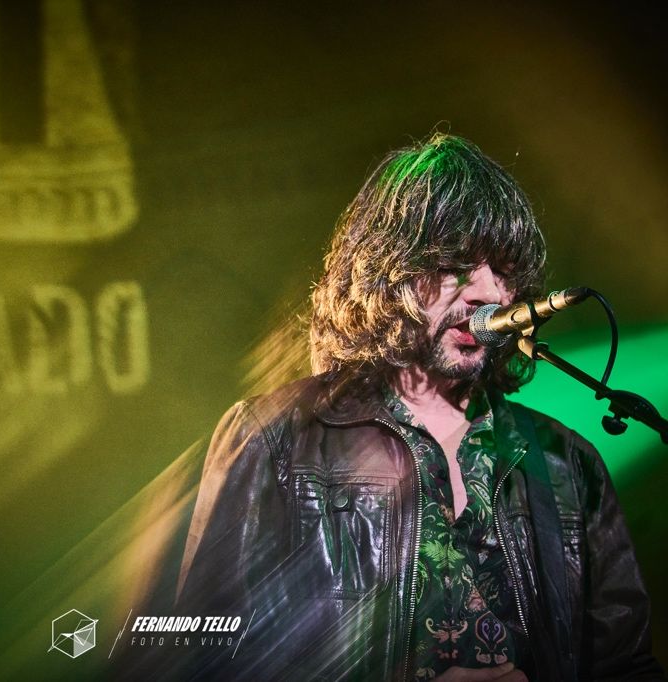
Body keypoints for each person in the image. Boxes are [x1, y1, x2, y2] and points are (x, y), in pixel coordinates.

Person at [173, 134, 663, 680]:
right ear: (391, 271)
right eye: (457, 263)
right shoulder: (275, 438)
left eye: (503, 271)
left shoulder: (566, 464)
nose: (487, 292)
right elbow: (198, 659)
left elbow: (626, 668)